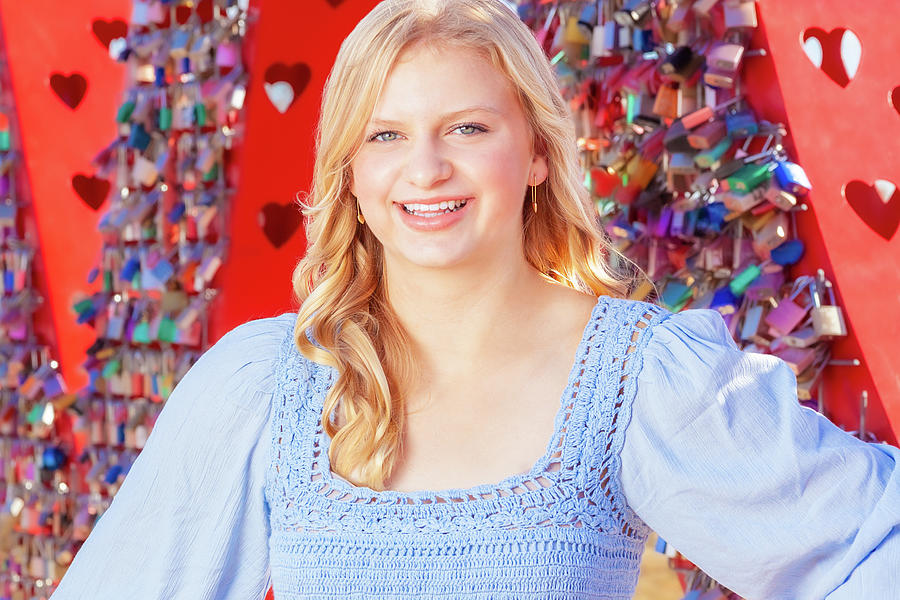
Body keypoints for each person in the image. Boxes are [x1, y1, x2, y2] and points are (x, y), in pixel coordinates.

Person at [50, 0, 900, 599]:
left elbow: (871, 543)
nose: (426, 170)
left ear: (536, 153)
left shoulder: (636, 377)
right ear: (352, 173)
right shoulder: (268, 384)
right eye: (386, 135)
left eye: (467, 128)